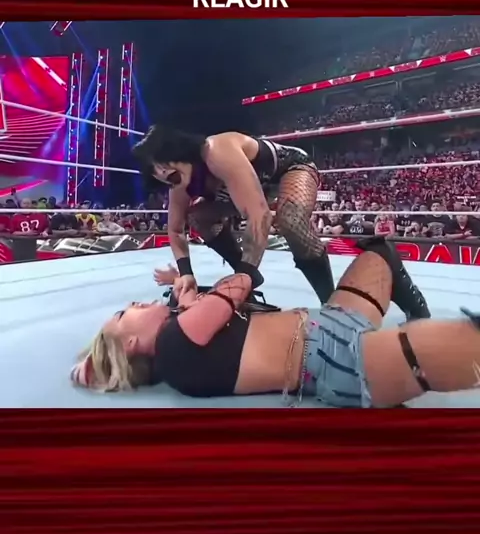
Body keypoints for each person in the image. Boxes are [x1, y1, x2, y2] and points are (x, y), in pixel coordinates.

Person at [72, 236, 479, 407]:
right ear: (131, 344)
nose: (133, 304)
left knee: (380, 254)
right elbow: (242, 282)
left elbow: (220, 304)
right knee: (466, 340)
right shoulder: (174, 347)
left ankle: (419, 314)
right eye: (124, 314)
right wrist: (253, 243)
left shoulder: (182, 333)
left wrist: (187, 296)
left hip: (331, 321)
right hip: (341, 359)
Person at [132, 126, 429, 319]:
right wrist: (186, 273)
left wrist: (246, 274)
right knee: (200, 215)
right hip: (249, 192)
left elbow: (259, 215)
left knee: (291, 220)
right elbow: (175, 229)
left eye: (171, 173)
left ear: (180, 154)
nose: (170, 182)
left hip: (289, 170)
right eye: (164, 179)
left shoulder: (216, 151)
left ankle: (332, 301)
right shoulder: (181, 185)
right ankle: (248, 276)